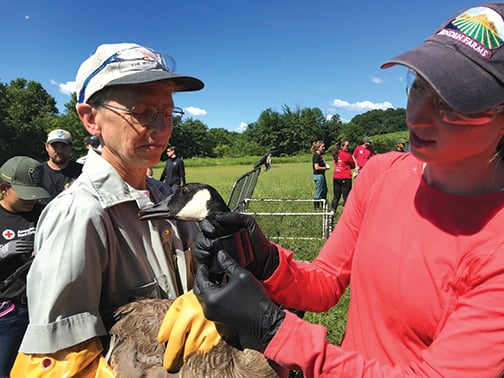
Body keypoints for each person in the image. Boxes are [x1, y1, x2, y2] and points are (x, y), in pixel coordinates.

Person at [162, 3, 504, 376]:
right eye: (417, 87)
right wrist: (265, 260)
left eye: (453, 102)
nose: (417, 115)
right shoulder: (381, 174)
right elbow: (325, 282)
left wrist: (275, 331)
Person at [10, 42, 212, 376]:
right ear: (91, 119)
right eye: (142, 112)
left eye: (167, 113)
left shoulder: (166, 198)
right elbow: (60, 363)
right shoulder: (80, 215)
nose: (161, 128)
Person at [0, 156, 49, 377]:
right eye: (24, 194)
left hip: (42, 306)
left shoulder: (42, 213)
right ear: (4, 188)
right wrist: (2, 252)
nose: (32, 200)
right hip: (9, 310)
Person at [39, 128, 83, 205]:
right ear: (47, 147)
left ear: (71, 147)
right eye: (55, 146)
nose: (59, 151)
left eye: (63, 146)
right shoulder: (38, 172)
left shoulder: (82, 172)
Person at [330, 140, 356, 209]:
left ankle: (332, 213)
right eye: (347, 146)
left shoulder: (336, 154)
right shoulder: (347, 155)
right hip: (345, 177)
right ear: (342, 146)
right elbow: (353, 165)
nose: (348, 147)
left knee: (336, 196)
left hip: (336, 177)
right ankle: (347, 214)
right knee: (346, 197)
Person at [310, 140, 329, 210]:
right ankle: (316, 208)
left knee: (324, 191)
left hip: (322, 175)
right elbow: (316, 167)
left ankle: (324, 206)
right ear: (318, 147)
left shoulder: (320, 156)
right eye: (322, 146)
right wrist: (325, 168)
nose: (324, 148)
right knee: (319, 191)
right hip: (318, 176)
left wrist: (323, 161)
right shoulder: (316, 156)